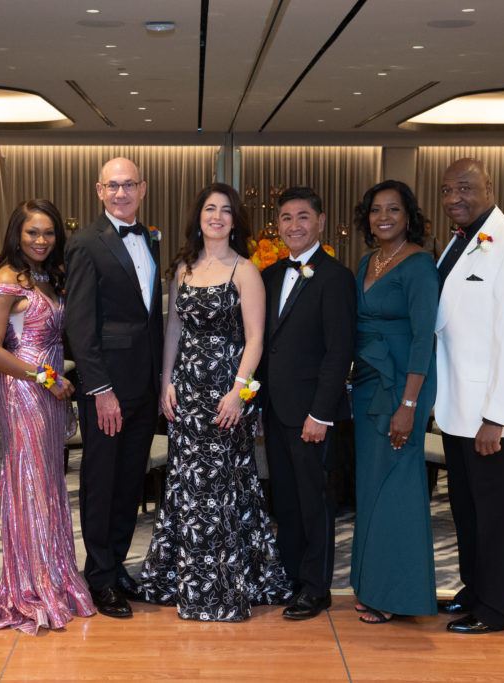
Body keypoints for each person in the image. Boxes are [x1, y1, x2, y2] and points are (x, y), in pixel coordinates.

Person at [137, 183, 292, 621]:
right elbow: (173, 330)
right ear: (198, 217)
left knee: (225, 487)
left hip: (228, 396)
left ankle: (226, 589)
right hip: (185, 393)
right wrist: (166, 381)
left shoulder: (245, 270)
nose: (217, 217)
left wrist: (239, 394)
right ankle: (181, 581)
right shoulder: (183, 267)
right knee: (187, 486)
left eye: (226, 210)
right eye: (210, 208)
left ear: (233, 220)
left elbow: (257, 339)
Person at [0, 199, 95, 634]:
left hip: (50, 391)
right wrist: (45, 377)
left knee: (49, 485)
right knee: (30, 485)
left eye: (48, 233)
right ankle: (29, 584)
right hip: (23, 390)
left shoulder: (47, 277)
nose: (41, 240)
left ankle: (54, 576)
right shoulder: (6, 280)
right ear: (16, 235)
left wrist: (56, 383)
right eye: (32, 233)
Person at [435, 158, 504, 634]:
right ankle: (476, 589)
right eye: (446, 190)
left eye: (464, 188)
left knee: (498, 517)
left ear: (489, 188)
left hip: (493, 417)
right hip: (457, 411)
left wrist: (495, 417)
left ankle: (499, 610)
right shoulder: (458, 245)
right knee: (468, 511)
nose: (454, 197)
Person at [63, 157, 164, 619]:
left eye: (129, 185)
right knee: (102, 482)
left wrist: (161, 380)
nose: (121, 193)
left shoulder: (152, 240)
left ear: (142, 189)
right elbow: (80, 326)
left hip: (144, 385)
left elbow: (150, 319)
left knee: (128, 481)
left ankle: (116, 563)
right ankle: (99, 577)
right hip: (107, 389)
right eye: (113, 186)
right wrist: (99, 389)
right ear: (99, 190)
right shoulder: (85, 242)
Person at [260, 186, 356, 621]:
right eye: (285, 218)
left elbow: (340, 352)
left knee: (315, 500)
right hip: (275, 409)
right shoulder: (270, 275)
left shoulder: (336, 277)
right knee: (286, 500)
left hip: (312, 413)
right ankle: (292, 577)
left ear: (319, 222)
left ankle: (316, 587)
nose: (293, 225)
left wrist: (321, 413)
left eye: (302, 217)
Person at [349, 180, 439, 624]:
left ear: (409, 216)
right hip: (369, 384)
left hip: (404, 384)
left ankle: (397, 594)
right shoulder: (369, 260)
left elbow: (425, 336)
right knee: (371, 485)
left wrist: (409, 403)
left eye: (393, 210)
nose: (383, 217)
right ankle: (371, 584)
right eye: (375, 210)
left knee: (397, 486)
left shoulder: (419, 265)